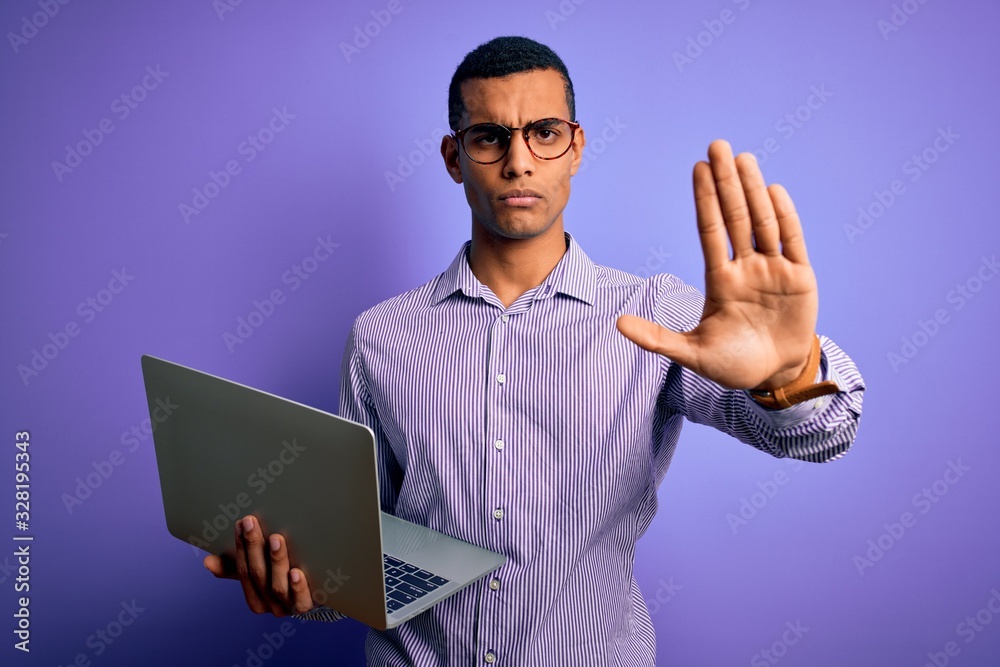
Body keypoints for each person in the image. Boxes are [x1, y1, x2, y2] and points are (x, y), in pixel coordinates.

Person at [204, 35, 865, 666]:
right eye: (490, 137)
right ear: (453, 156)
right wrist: (303, 583)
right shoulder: (380, 336)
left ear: (576, 148)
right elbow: (357, 555)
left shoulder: (655, 314)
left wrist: (789, 371)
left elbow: (829, 433)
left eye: (544, 133)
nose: (518, 161)